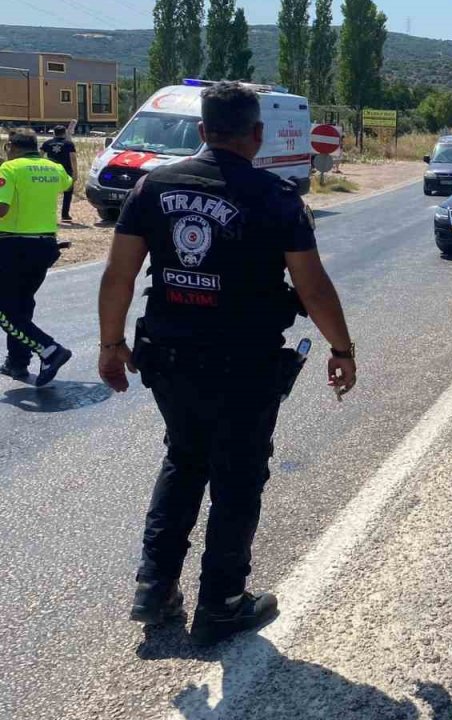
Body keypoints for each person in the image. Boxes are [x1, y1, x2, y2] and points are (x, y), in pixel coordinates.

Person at [97, 81, 358, 645]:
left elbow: (118, 275)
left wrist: (110, 344)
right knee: (238, 476)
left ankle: (155, 587)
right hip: (243, 363)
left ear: (200, 130)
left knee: (184, 458)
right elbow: (311, 287)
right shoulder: (277, 197)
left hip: (168, 357)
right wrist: (341, 349)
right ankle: (222, 603)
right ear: (257, 135)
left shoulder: (153, 187)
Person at [0, 127, 75, 387]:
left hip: (12, 245)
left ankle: (49, 349)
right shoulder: (52, 168)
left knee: (5, 311)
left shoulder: (8, 170)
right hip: (45, 246)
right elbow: (68, 181)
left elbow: (1, 208)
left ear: (10, 146)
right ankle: (17, 361)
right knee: (21, 304)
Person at [40, 124, 77, 223]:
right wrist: (75, 173)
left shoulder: (47, 143)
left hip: (50, 171)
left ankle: (47, 214)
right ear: (64, 133)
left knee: (49, 193)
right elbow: (73, 158)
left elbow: (40, 156)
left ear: (54, 133)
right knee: (68, 193)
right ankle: (65, 215)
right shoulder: (69, 144)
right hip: (66, 171)